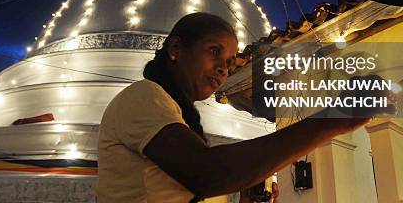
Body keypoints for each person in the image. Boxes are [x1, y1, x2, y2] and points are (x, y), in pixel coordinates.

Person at [97, 13, 371, 202]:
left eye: (229, 63)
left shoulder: (173, 112)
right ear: (176, 49)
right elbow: (209, 173)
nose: (223, 69)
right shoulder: (145, 96)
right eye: (214, 51)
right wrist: (335, 118)